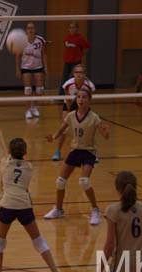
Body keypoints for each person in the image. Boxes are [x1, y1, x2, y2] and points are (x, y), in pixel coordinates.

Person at [0, 138, 66, 272]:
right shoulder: (29, 168)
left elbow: (4, 171)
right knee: (38, 241)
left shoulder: (4, 164)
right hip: (24, 205)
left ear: (9, 151)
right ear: (25, 153)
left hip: (8, 205)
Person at [44, 89, 110, 225]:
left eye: (84, 97)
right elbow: (62, 128)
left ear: (89, 100)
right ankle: (59, 209)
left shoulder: (94, 117)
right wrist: (54, 137)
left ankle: (95, 210)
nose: (80, 99)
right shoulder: (71, 115)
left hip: (88, 152)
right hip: (75, 151)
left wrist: (106, 132)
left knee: (84, 181)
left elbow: (105, 136)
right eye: (78, 97)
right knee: (60, 181)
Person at [97, 171, 142, 272]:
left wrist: (99, 270)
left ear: (117, 188)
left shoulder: (113, 210)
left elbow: (109, 246)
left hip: (121, 265)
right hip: (140, 264)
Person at [52, 64, 95, 161]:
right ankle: (57, 151)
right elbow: (67, 100)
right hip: (69, 106)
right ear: (73, 74)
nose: (79, 75)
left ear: (85, 74)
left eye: (81, 72)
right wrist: (72, 113)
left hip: (83, 107)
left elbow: (89, 100)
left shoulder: (89, 86)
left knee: (88, 128)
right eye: (76, 72)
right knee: (64, 128)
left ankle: (91, 152)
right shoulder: (68, 84)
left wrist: (83, 111)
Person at [15, 22, 47, 119]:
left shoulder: (40, 40)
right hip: (26, 67)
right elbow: (18, 56)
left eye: (32, 28)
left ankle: (34, 107)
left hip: (38, 66)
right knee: (28, 89)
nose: (30, 30)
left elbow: (44, 54)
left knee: (39, 89)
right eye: (28, 28)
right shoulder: (22, 41)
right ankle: (28, 110)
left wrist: (46, 67)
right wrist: (18, 69)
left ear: (35, 29)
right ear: (26, 30)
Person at [59, 21, 91, 95]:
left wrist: (81, 54)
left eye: (73, 27)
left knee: (76, 79)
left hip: (76, 62)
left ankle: (76, 94)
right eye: (70, 27)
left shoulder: (80, 38)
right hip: (67, 61)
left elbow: (87, 47)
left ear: (77, 29)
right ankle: (61, 96)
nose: (72, 29)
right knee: (64, 78)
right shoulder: (67, 37)